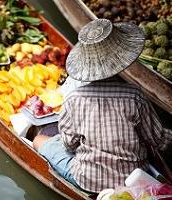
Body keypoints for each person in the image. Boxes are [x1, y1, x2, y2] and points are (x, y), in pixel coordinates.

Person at [33, 18, 172, 193]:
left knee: (40, 139)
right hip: (132, 180)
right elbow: (159, 139)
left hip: (87, 180)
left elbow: (69, 145)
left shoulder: (74, 99)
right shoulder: (135, 96)